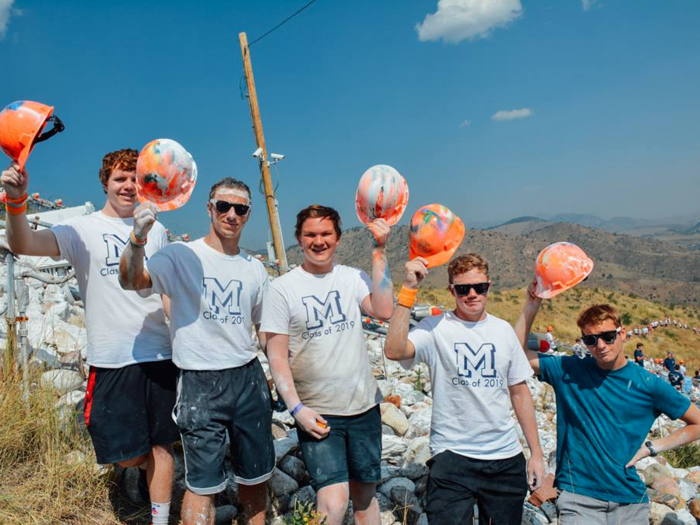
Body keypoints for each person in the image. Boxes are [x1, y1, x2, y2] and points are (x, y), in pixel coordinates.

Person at [1, 153, 177, 525]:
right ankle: (132, 468)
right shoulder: (82, 229)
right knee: (127, 453)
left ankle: (160, 519)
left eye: (135, 178)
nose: (128, 185)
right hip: (111, 355)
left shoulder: (156, 228)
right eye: (120, 179)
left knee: (163, 443)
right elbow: (23, 244)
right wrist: (16, 201)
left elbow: (165, 288)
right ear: (105, 184)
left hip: (159, 351)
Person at [119, 177, 274, 525]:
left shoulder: (255, 268)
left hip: (248, 379)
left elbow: (265, 331)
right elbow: (132, 280)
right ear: (209, 208)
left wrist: (286, 380)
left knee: (255, 479)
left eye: (240, 208)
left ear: (248, 214)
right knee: (202, 485)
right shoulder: (180, 256)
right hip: (199, 381)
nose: (231, 214)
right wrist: (137, 238)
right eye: (223, 206)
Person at [516, 285, 700, 525]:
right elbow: (517, 352)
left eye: (608, 336)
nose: (600, 345)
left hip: (630, 501)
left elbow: (696, 422)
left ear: (622, 334)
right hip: (578, 497)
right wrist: (532, 305)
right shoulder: (569, 371)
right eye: (591, 340)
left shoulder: (648, 383)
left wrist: (651, 448)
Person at [383, 253, 545, 525]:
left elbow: (519, 392)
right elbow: (394, 350)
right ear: (451, 290)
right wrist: (409, 290)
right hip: (452, 457)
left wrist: (536, 454)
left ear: (489, 287)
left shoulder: (503, 331)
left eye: (479, 287)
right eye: (462, 289)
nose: (472, 294)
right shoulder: (435, 329)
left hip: (504, 459)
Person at [261, 205, 394, 525]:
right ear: (299, 238)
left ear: (337, 238)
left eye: (325, 234)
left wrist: (380, 250)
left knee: (365, 497)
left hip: (363, 408)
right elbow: (276, 355)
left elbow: (384, 309)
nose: (318, 241)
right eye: (310, 235)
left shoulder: (352, 278)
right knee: (333, 503)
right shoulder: (282, 289)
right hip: (318, 412)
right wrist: (296, 410)